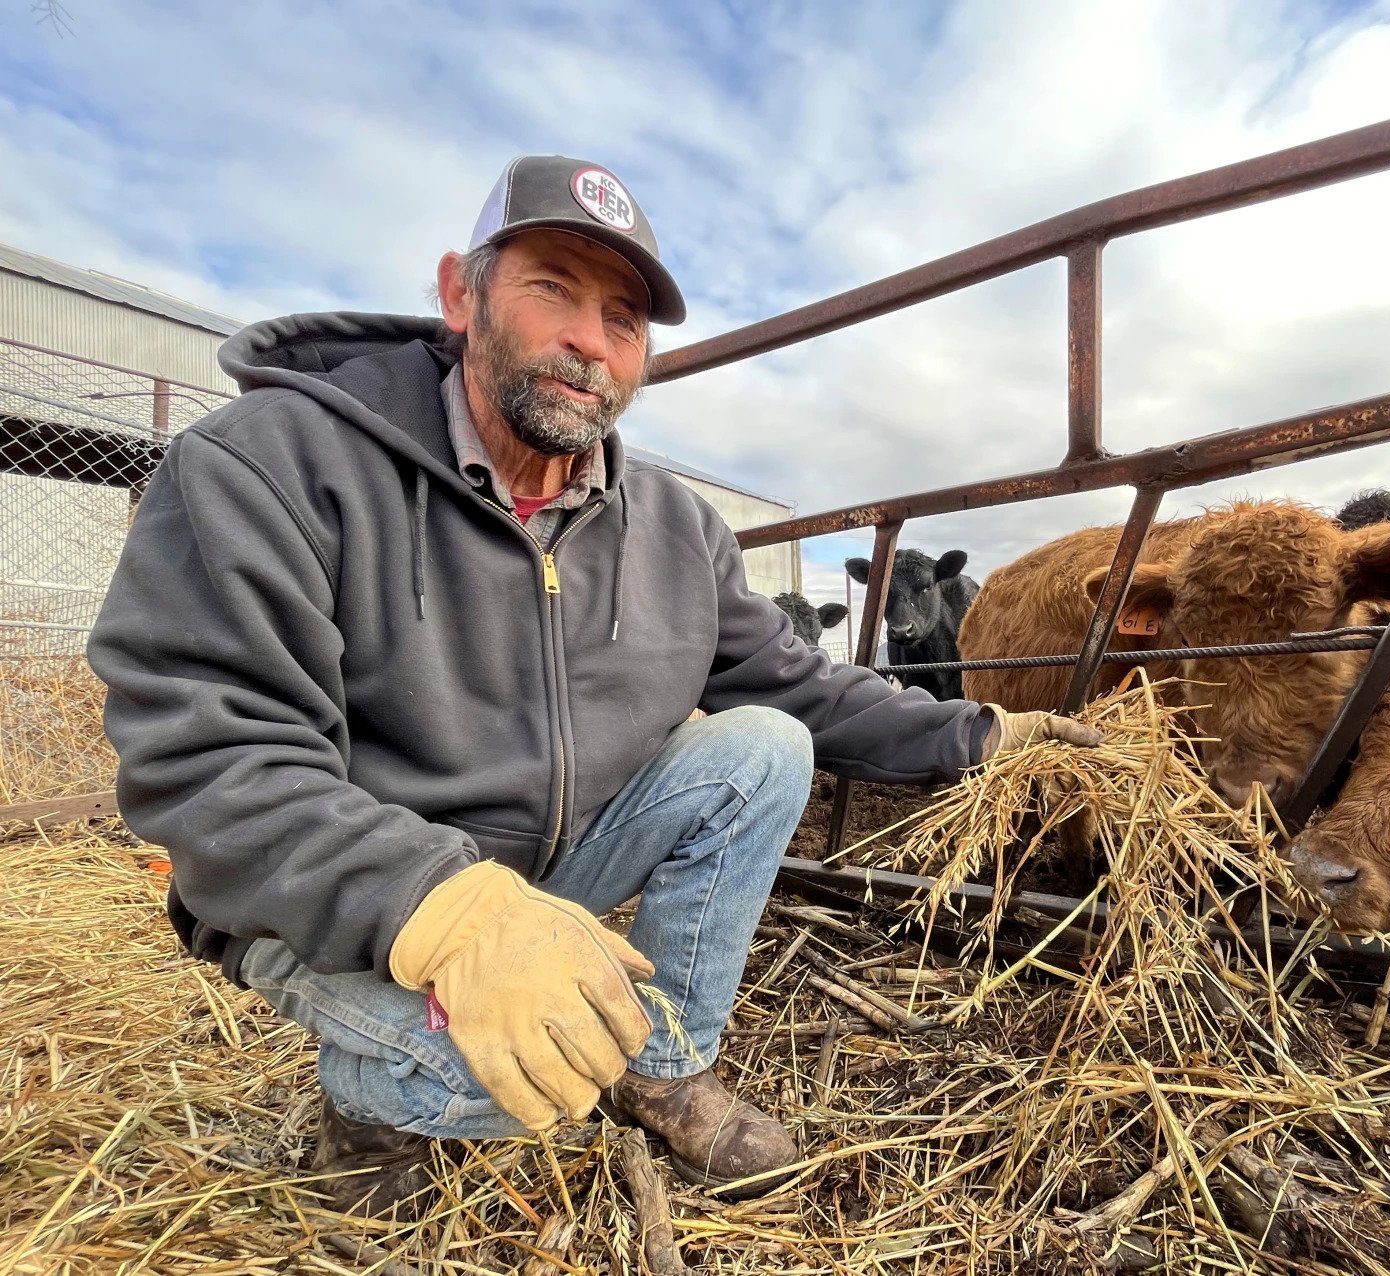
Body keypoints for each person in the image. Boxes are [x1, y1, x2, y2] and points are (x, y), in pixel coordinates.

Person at [88, 154, 1101, 1216]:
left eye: (623, 318)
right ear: (458, 293)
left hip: (543, 874)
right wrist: (448, 913)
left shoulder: (673, 527)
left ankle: (661, 1067)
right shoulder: (268, 463)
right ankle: (368, 1102)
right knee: (498, 1077)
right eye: (551, 290)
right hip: (354, 896)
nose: (589, 339)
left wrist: (983, 735)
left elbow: (797, 683)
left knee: (761, 744)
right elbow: (209, 755)